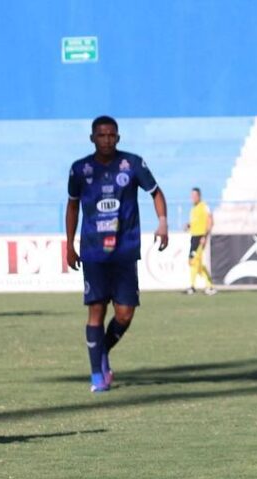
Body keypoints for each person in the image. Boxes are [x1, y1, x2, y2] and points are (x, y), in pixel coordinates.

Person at [66, 115, 168, 392]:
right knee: (96, 310)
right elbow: (72, 207)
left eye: (111, 135)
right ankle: (96, 375)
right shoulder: (79, 169)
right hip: (93, 252)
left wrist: (162, 223)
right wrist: (69, 244)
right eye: (101, 135)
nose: (107, 139)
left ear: (118, 138)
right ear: (92, 138)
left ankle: (102, 353)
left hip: (124, 251)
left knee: (124, 314)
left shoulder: (132, 164)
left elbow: (156, 193)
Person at [185, 187, 216, 295]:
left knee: (194, 261)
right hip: (194, 237)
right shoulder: (193, 209)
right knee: (193, 262)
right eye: (191, 195)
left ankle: (199, 286)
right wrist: (188, 225)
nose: (193, 198)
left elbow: (210, 221)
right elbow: (194, 223)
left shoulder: (204, 206)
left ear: (199, 196)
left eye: (195, 195)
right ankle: (206, 286)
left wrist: (205, 236)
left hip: (200, 237)